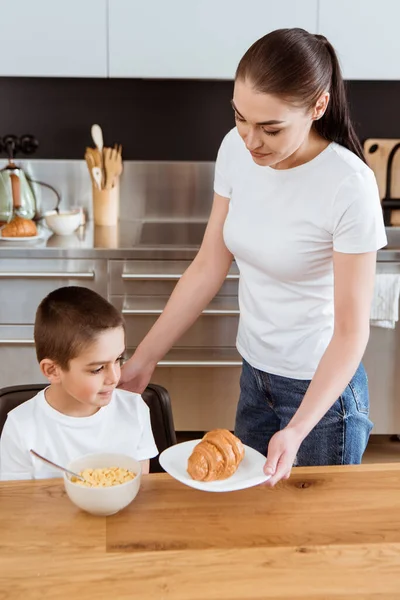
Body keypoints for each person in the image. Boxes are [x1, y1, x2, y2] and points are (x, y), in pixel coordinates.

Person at [119, 28, 387, 486]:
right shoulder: (235, 150)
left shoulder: (349, 185)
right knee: (252, 524)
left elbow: (350, 331)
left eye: (271, 128)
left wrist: (298, 427)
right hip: (255, 379)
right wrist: (144, 359)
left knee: (312, 538)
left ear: (318, 107)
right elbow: (208, 265)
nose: (251, 139)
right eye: (241, 117)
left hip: (321, 400)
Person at [0, 286, 158, 480]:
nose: (114, 378)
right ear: (53, 370)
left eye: (118, 359)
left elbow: (140, 487)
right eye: (97, 369)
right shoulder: (21, 427)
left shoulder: (135, 410)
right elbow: (14, 501)